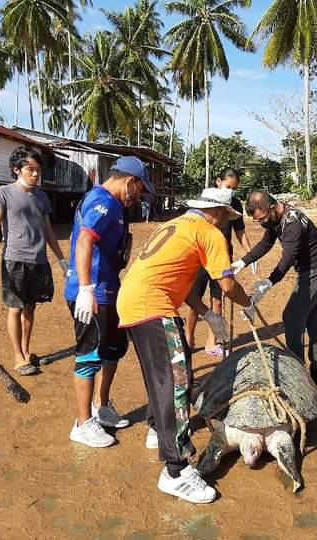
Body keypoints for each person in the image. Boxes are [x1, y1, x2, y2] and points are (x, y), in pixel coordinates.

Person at [117, 187, 255, 504]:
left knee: (162, 377)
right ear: (219, 213)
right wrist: (248, 305)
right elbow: (228, 284)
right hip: (154, 307)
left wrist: (207, 315)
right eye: (226, 217)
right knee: (177, 383)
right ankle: (176, 471)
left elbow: (180, 282)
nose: (225, 223)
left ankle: (157, 428)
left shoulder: (177, 225)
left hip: (134, 302)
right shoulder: (210, 233)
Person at [65, 157, 154, 448]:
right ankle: (82, 423)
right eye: (139, 190)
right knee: (89, 354)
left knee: (113, 349)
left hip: (110, 288)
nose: (137, 197)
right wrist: (86, 288)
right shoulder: (101, 202)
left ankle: (101, 406)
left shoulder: (115, 206)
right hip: (93, 292)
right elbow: (84, 241)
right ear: (129, 181)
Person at [233, 191, 317, 386]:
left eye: (262, 218)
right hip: (314, 271)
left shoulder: (292, 222)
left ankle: (296, 371)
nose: (262, 223)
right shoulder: (276, 219)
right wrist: (242, 262)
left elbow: (288, 257)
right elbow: (265, 244)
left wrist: (270, 281)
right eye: (257, 221)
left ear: (271, 208)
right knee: (314, 321)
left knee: (292, 316)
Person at [0, 147, 67, 376]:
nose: (35, 174)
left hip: (38, 261)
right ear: (17, 170)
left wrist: (61, 260)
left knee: (30, 309)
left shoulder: (41, 196)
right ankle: (17, 357)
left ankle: (25, 350)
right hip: (14, 259)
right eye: (30, 169)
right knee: (15, 308)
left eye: (38, 170)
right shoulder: (3, 193)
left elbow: (48, 230)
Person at [184, 168, 255, 356]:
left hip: (222, 256)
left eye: (234, 189)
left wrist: (250, 254)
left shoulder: (236, 205)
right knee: (194, 299)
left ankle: (211, 343)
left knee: (218, 300)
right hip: (199, 257)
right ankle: (188, 339)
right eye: (228, 186)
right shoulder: (206, 201)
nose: (230, 192)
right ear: (218, 181)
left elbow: (239, 231)